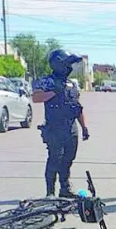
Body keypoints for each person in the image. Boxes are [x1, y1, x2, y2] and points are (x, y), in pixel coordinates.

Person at [32, 50, 90, 197]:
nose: (70, 67)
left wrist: (84, 127)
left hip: (71, 127)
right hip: (54, 127)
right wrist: (54, 92)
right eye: (67, 64)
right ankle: (50, 193)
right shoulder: (48, 81)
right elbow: (36, 98)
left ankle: (65, 189)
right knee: (54, 160)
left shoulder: (71, 84)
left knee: (68, 159)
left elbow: (77, 106)